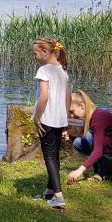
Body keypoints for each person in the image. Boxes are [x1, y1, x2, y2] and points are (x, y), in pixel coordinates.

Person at [31, 37, 71, 209]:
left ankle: (58, 197)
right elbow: (68, 97)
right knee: (54, 155)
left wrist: (36, 117)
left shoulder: (44, 70)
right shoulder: (62, 71)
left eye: (35, 53)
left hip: (47, 119)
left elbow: (44, 97)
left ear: (45, 52)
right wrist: (66, 120)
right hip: (60, 119)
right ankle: (49, 190)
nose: (35, 56)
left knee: (49, 156)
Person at [65, 90, 112, 184]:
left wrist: (79, 171)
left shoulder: (99, 118)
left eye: (72, 111)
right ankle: (101, 171)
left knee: (88, 136)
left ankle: (105, 172)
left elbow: (98, 150)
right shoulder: (94, 115)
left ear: (82, 106)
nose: (72, 116)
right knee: (77, 142)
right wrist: (70, 138)